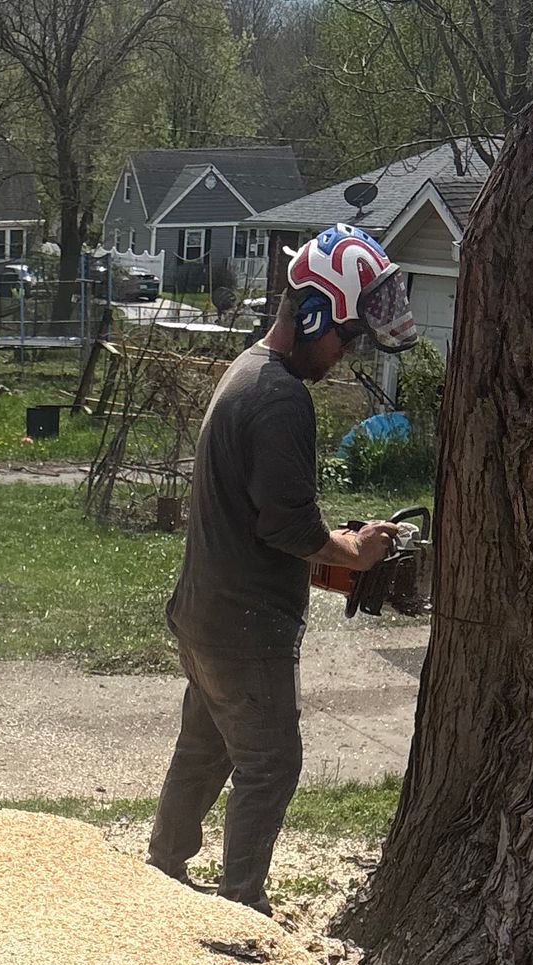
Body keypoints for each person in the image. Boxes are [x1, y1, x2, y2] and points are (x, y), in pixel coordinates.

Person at [147, 226, 420, 914]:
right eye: (348, 335)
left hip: (205, 609)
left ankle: (161, 868)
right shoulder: (281, 398)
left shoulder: (247, 370)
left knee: (205, 747)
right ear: (313, 314)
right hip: (244, 625)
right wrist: (352, 552)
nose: (348, 351)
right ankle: (243, 907)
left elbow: (267, 514)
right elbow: (287, 526)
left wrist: (339, 541)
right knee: (271, 765)